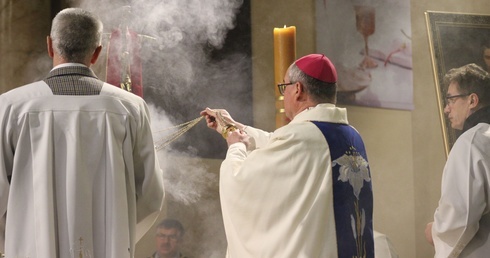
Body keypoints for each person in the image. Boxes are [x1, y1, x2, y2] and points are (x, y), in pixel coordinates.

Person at [0, 8, 164, 258]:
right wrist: (116, 237)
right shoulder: (130, 108)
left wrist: (17, 240)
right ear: (98, 52)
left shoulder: (11, 106)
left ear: (50, 45)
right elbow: (151, 194)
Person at [200, 54, 374, 257]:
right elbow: (277, 142)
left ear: (298, 89)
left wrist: (235, 145)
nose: (284, 95)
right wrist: (234, 126)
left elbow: (241, 179)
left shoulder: (302, 136)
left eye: (284, 87)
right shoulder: (351, 135)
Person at [425, 63, 490, 257]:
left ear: (472, 100)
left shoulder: (472, 142)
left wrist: (435, 232)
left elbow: (461, 215)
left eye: (451, 100)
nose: (446, 109)